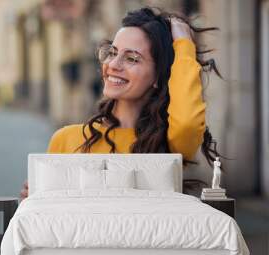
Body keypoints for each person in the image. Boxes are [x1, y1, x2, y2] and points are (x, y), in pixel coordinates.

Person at [20, 7, 222, 199]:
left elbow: (188, 123)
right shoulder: (66, 140)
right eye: (113, 52)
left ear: (158, 77)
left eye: (132, 58)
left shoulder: (167, 144)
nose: (113, 65)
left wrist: (184, 43)